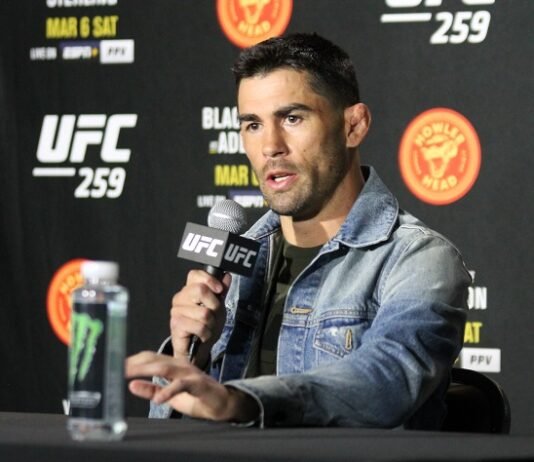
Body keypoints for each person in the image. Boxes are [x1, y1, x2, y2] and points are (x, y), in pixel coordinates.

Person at [126, 33, 471, 429]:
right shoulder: (237, 262)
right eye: (253, 125)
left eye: (292, 118)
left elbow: (385, 381)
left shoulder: (419, 260)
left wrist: (241, 402)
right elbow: (171, 429)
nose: (271, 146)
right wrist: (191, 360)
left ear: (353, 126)